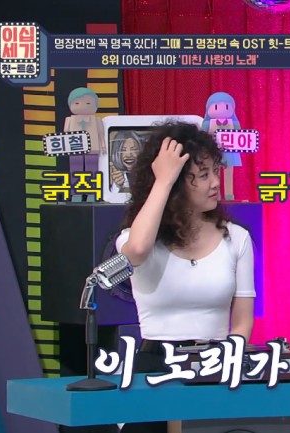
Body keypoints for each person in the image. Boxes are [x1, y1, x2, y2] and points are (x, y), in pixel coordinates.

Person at [116, 121, 256, 433]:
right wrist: (163, 181)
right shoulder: (136, 238)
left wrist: (227, 365)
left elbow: (243, 321)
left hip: (215, 365)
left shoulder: (237, 238)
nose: (215, 183)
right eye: (203, 175)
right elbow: (136, 251)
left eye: (215, 171)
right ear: (178, 182)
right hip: (154, 366)